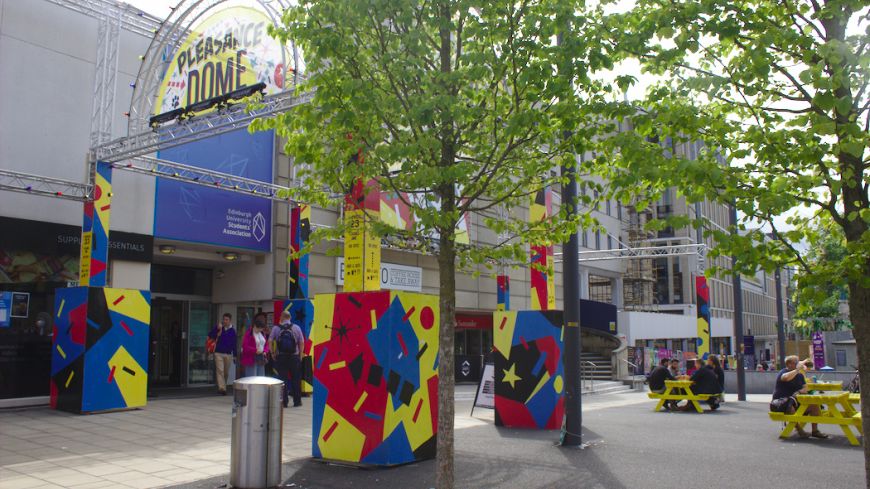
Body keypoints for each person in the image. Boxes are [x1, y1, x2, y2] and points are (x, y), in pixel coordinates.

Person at [770, 355, 828, 439]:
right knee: (790, 407)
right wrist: (797, 370)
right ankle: (799, 429)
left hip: (795, 401)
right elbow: (785, 378)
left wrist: (801, 391)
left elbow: (805, 388)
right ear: (789, 364)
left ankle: (815, 431)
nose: (798, 364)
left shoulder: (800, 375)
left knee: (814, 406)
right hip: (780, 402)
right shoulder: (783, 372)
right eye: (796, 363)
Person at [270, 311, 305, 407]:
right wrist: (300, 355)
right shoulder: (296, 327)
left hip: (281, 357)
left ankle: (284, 402)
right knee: (296, 379)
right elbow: (301, 342)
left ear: (282, 317)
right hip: (294, 357)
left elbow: (270, 340)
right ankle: (297, 401)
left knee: (283, 380)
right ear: (290, 317)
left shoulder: (276, 328)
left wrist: (272, 353)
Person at [208, 313, 237, 395]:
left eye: (227, 320)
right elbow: (211, 335)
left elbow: (234, 344)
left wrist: (235, 355)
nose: (225, 321)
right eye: (224, 319)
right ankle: (222, 388)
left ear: (230, 320)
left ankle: (223, 385)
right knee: (220, 370)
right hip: (218, 353)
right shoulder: (219, 328)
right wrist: (217, 329)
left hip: (228, 354)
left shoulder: (233, 331)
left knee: (225, 372)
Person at [240, 313, 270, 377]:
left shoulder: (262, 333)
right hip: (251, 358)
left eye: (261, 329)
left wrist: (265, 351)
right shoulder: (249, 333)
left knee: (261, 377)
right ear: (255, 326)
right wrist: (255, 350)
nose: (260, 330)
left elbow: (266, 344)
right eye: (259, 328)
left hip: (261, 358)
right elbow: (245, 346)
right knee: (251, 377)